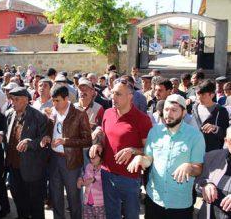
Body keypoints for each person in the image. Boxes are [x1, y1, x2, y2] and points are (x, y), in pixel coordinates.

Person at [128, 94, 205, 219]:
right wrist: (141, 158)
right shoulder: (155, 132)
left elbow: (198, 168)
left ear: (184, 112)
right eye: (166, 110)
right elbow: (149, 158)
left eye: (174, 110)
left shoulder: (196, 136)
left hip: (180, 203)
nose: (168, 114)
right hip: (154, 199)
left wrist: (189, 167)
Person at [89, 78, 153, 219]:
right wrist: (98, 144)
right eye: (112, 93)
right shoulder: (108, 113)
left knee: (131, 215)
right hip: (107, 173)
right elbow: (105, 138)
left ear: (130, 96)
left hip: (129, 178)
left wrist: (133, 150)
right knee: (112, 215)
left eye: (118, 94)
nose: (113, 97)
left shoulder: (142, 119)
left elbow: (151, 150)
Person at [0, 87, 48, 219]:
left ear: (25, 100)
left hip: (32, 168)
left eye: (16, 99)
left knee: (35, 203)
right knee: (18, 197)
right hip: (13, 166)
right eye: (11, 99)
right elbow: (7, 132)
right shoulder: (9, 114)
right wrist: (1, 133)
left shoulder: (38, 117)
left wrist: (30, 143)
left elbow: (44, 140)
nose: (12, 102)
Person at [42, 85, 92, 219]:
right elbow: (49, 130)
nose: (54, 104)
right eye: (53, 100)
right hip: (53, 159)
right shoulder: (52, 112)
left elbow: (88, 141)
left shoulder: (79, 114)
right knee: (56, 197)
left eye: (57, 100)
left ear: (66, 99)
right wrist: (47, 137)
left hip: (71, 162)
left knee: (73, 198)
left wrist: (66, 141)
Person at [196, 127, 231, 219]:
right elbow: (197, 180)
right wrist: (205, 184)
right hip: (210, 214)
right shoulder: (212, 156)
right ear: (226, 141)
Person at [192, 79, 229, 152]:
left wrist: (215, 128)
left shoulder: (221, 111)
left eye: (203, 95)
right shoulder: (193, 108)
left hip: (212, 153)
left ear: (212, 95)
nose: (199, 97)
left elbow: (226, 134)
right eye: (198, 94)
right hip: (194, 151)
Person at [77, 150, 105, 219]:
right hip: (87, 202)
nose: (91, 159)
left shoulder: (103, 169)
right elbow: (85, 177)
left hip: (100, 203)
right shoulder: (88, 166)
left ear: (101, 157)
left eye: (94, 157)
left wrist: (85, 182)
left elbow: (93, 180)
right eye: (90, 157)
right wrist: (81, 179)